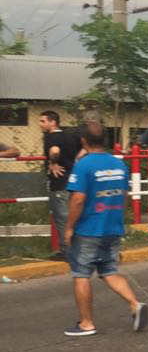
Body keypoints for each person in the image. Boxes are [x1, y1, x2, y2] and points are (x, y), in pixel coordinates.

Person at [63, 121, 148, 337]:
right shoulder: (119, 165)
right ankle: (134, 304)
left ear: (83, 141)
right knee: (109, 271)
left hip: (88, 229)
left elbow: (78, 199)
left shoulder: (83, 165)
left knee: (81, 274)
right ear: (106, 140)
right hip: (112, 227)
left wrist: (69, 227)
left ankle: (86, 323)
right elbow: (125, 195)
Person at [39, 109, 81, 259]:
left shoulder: (51, 137)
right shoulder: (69, 136)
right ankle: (77, 248)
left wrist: (53, 162)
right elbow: (84, 148)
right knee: (74, 217)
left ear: (53, 122)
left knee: (62, 218)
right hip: (73, 182)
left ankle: (67, 252)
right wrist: (76, 161)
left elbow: (55, 151)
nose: (40, 124)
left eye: (43, 121)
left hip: (59, 184)